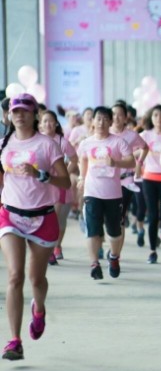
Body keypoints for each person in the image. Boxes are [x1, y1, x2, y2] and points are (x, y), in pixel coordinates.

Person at [0, 94, 71, 360]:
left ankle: (38, 309)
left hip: (42, 218)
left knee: (36, 279)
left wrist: (40, 174)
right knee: (15, 276)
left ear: (34, 115)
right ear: (9, 115)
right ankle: (14, 341)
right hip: (11, 216)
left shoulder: (47, 145)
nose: (19, 115)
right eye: (14, 111)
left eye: (25, 111)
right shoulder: (3, 145)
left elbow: (65, 183)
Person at [77, 107, 135, 280]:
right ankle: (94, 264)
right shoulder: (86, 143)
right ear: (92, 121)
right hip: (92, 191)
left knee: (114, 232)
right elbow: (83, 159)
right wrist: (81, 177)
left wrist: (116, 162)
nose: (101, 123)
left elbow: (131, 161)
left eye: (105, 119)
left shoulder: (118, 142)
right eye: (98, 119)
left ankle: (114, 257)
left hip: (113, 194)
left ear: (110, 122)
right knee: (93, 230)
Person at [110, 102, 148, 262]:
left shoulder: (131, 135)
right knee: (107, 218)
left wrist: (139, 164)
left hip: (125, 181)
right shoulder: (105, 134)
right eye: (113, 114)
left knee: (120, 217)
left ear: (126, 118)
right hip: (105, 181)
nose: (116, 118)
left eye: (120, 114)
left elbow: (145, 147)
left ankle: (116, 254)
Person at [39, 110, 78, 265]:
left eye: (51, 121)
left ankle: (57, 245)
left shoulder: (62, 141)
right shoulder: (37, 141)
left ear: (56, 123)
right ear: (40, 124)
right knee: (48, 218)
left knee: (58, 219)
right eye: (45, 121)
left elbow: (74, 160)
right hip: (42, 186)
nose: (48, 124)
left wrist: (64, 175)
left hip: (60, 186)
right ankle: (50, 250)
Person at [140, 105, 161, 263]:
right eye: (155, 115)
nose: (158, 119)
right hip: (149, 178)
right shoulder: (145, 135)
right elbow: (133, 149)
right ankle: (152, 250)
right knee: (153, 216)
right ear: (150, 118)